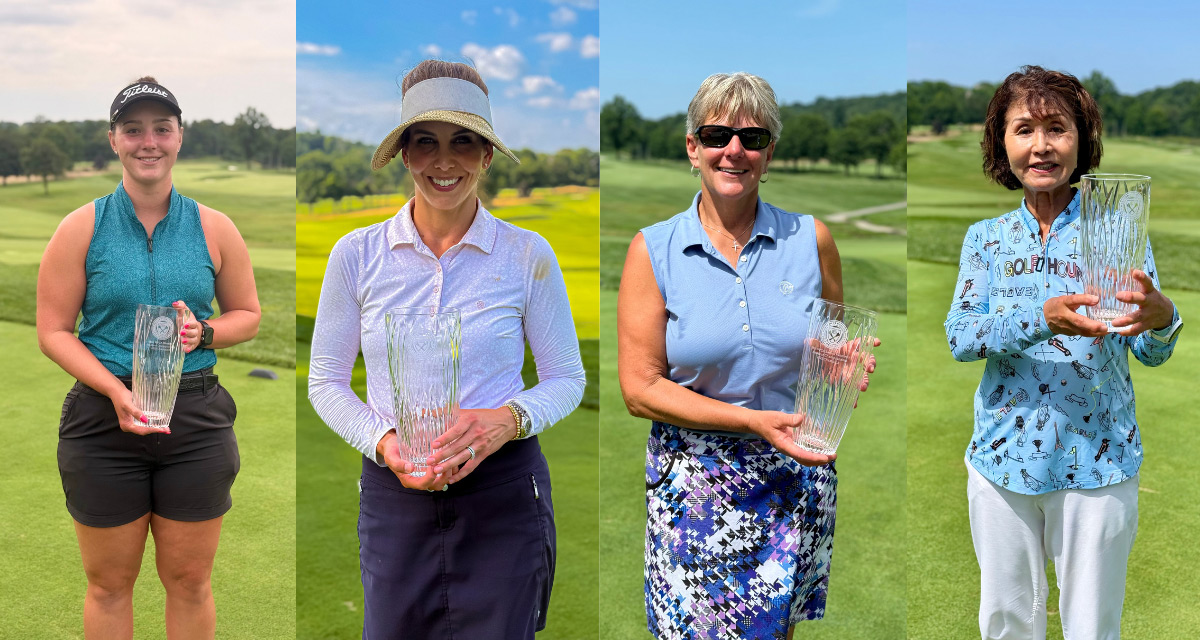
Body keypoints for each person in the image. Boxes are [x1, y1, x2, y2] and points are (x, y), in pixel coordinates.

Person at [307, 59, 586, 639]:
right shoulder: (355, 255)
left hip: (504, 496)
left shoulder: (527, 254)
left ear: (486, 155)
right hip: (394, 496)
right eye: (426, 142)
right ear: (405, 154)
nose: (444, 160)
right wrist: (384, 443)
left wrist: (506, 421)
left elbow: (567, 378)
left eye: (464, 141)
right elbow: (326, 383)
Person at [617, 72, 878, 640]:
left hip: (792, 478)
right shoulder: (653, 249)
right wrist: (752, 421)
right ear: (693, 148)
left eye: (752, 138)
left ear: (769, 153)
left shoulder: (812, 240)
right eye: (716, 135)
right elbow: (640, 389)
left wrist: (842, 362)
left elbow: (828, 349)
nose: (733, 150)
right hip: (693, 488)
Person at [945, 65, 1182, 639]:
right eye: (1024, 129)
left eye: (1058, 128)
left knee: (1091, 628)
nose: (1042, 145)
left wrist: (1163, 318)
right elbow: (961, 337)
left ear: (1083, 140)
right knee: (1006, 624)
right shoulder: (986, 239)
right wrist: (1040, 317)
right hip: (1002, 459)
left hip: (1098, 461)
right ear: (1003, 144)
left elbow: (1149, 350)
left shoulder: (1119, 229)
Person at [36, 77, 260, 639]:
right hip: (102, 418)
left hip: (195, 419)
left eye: (162, 128)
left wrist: (203, 332)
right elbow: (54, 331)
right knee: (109, 585)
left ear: (180, 137)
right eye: (133, 130)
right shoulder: (80, 228)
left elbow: (248, 316)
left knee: (189, 581)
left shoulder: (215, 227)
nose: (148, 142)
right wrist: (114, 391)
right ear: (114, 139)